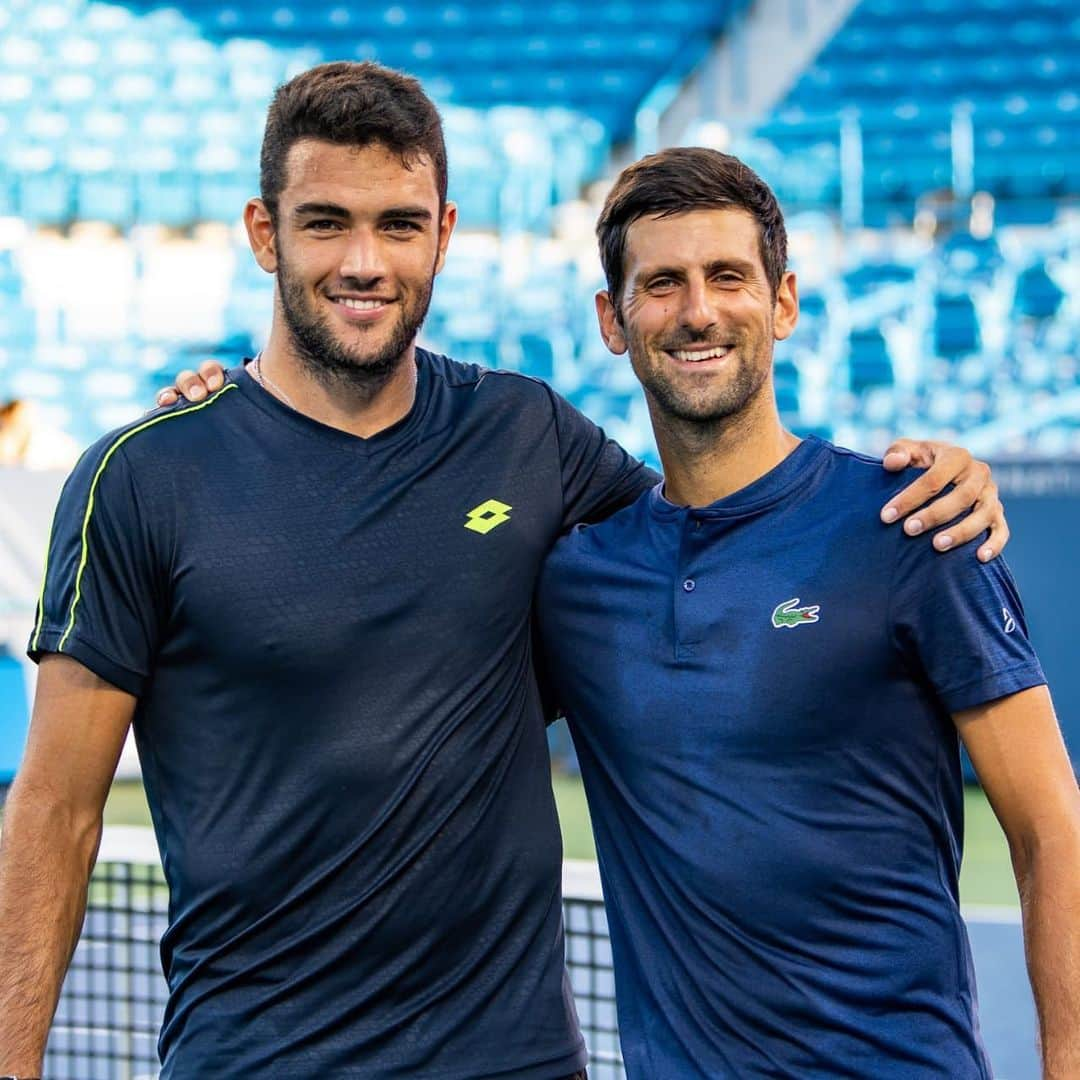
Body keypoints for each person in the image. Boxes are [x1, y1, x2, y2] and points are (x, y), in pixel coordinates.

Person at [0, 62, 1007, 1078]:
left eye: (398, 223)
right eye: (325, 223)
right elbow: (55, 813)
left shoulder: (528, 434)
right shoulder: (142, 478)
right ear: (265, 234)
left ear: (443, 233)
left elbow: (723, 520)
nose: (364, 260)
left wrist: (937, 475)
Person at [533, 147, 1080, 1079]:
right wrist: (219, 406)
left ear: (782, 302)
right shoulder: (577, 577)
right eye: (661, 283)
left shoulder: (915, 525)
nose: (698, 311)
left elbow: (1049, 830)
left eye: (728, 277)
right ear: (612, 322)